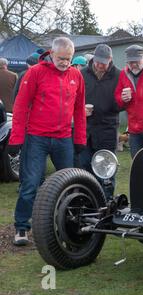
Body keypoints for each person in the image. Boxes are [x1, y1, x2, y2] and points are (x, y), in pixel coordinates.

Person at [8, 37, 86, 246]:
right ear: (51, 53)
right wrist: (16, 138)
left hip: (63, 138)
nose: (65, 63)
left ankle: (65, 225)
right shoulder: (35, 73)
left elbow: (79, 110)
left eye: (68, 59)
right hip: (37, 137)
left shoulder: (76, 75)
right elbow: (21, 106)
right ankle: (22, 227)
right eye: (61, 58)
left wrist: (79, 138)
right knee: (31, 183)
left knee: (68, 185)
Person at [80, 44, 121, 199]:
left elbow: (122, 105)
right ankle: (87, 200)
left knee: (106, 168)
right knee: (84, 166)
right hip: (86, 129)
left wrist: (121, 101)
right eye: (97, 61)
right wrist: (80, 110)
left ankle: (107, 202)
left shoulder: (118, 75)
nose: (99, 65)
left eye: (103, 62)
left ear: (110, 60)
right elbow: (75, 99)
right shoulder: (82, 74)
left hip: (107, 128)